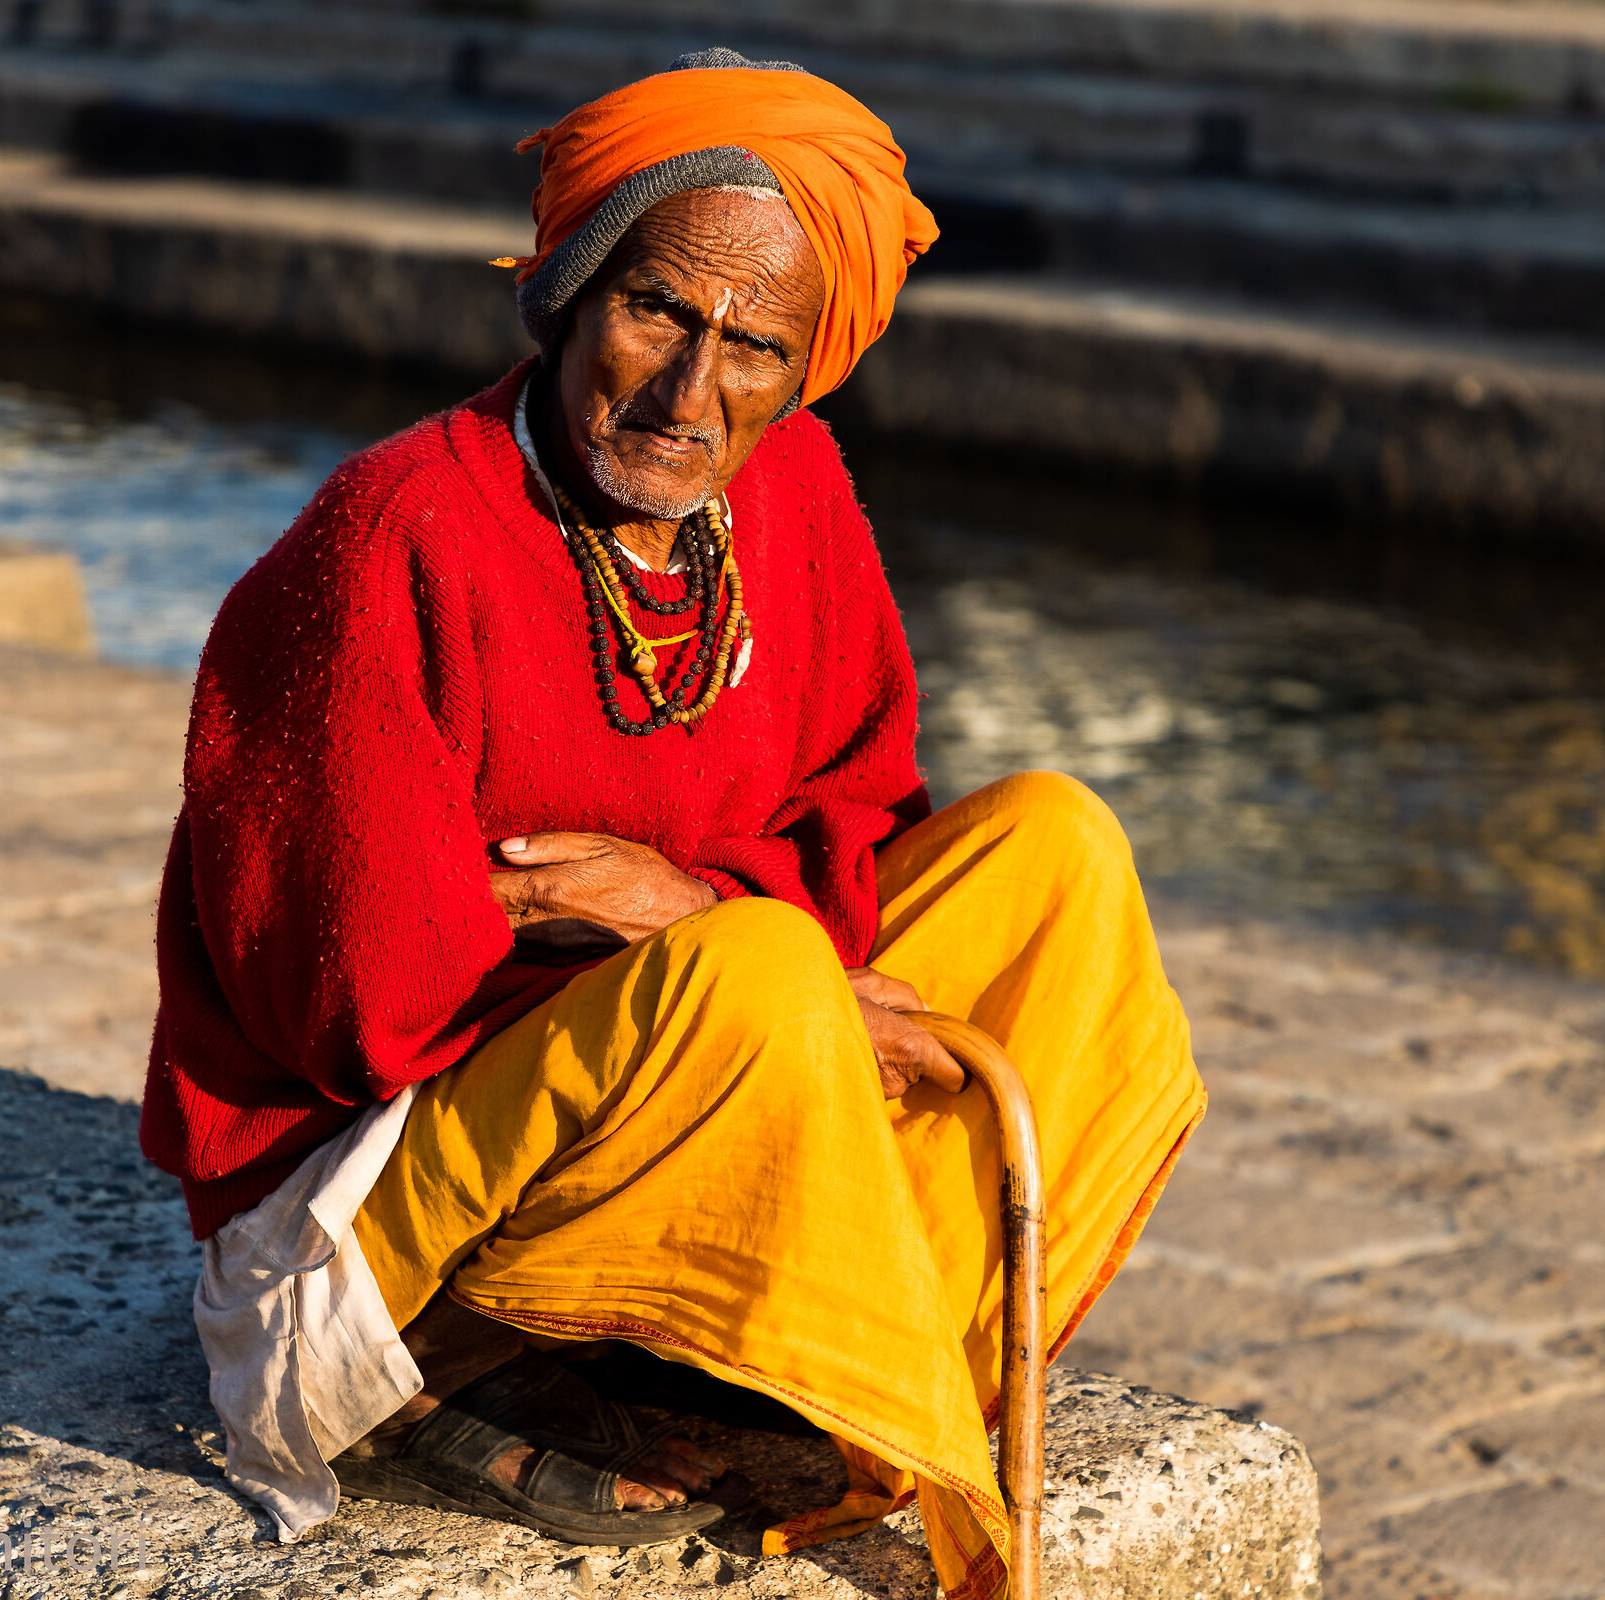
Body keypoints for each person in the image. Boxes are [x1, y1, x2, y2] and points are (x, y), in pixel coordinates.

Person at [141, 48, 1206, 1600]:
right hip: (370, 1213)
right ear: (570, 291)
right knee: (755, 967)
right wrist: (660, 939)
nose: (688, 394)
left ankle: (786, 1334)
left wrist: (686, 916)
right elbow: (343, 997)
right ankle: (477, 1354)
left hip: (682, 1041)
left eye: (754, 343)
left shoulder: (793, 488)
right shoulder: (395, 534)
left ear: (808, 366)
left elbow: (853, 804)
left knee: (1058, 848)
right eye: (655, 310)